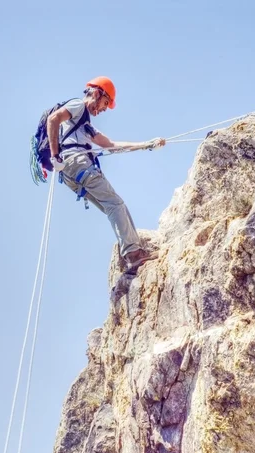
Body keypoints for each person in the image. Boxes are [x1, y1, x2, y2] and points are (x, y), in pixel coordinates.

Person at [46, 76, 166, 294]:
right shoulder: (77, 106)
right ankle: (133, 254)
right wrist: (55, 156)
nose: (104, 109)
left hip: (71, 174)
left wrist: (146, 145)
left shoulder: (84, 125)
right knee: (116, 204)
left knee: (112, 207)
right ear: (97, 93)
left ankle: (131, 252)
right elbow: (53, 119)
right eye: (105, 103)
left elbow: (111, 145)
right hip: (77, 164)